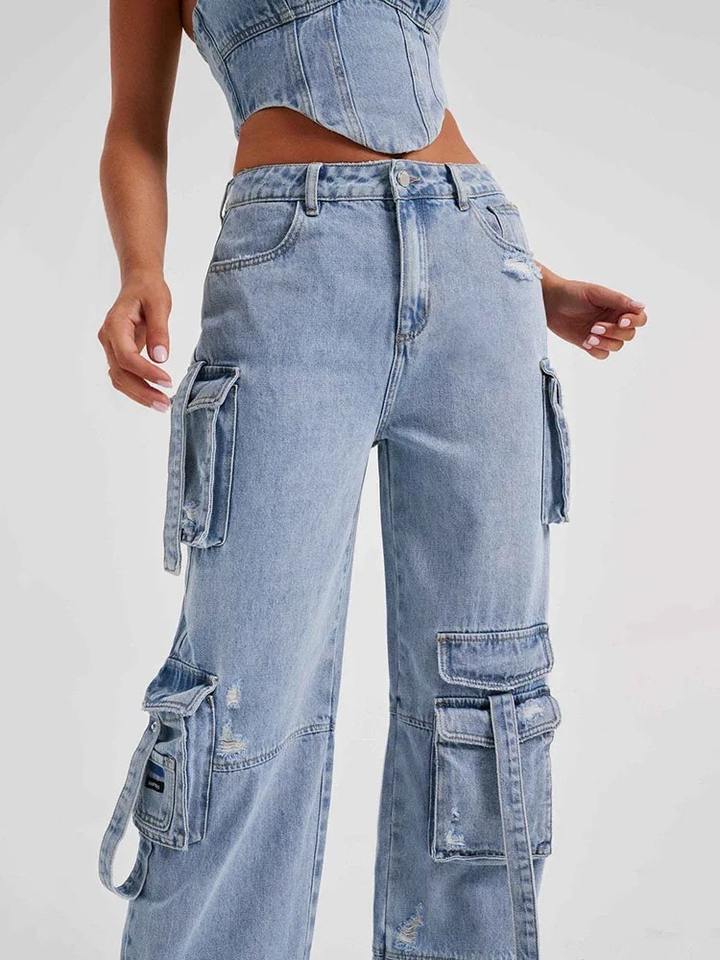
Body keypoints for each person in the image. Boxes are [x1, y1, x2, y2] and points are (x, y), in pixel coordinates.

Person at [97, 2, 647, 958]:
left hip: (477, 257)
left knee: (486, 691)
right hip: (291, 266)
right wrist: (138, 269)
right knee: (243, 690)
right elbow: (134, 130)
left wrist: (542, 284)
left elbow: (402, 101)